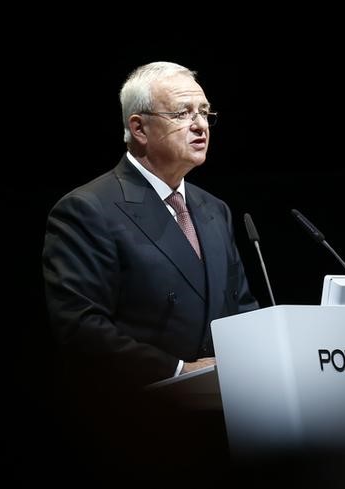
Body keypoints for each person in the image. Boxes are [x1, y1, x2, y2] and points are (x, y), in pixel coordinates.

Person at [42, 61, 259, 393]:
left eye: (204, 112)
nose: (200, 125)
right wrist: (178, 370)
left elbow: (241, 309)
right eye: (182, 114)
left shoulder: (214, 209)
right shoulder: (88, 209)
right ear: (139, 128)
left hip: (227, 409)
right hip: (139, 416)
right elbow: (81, 327)